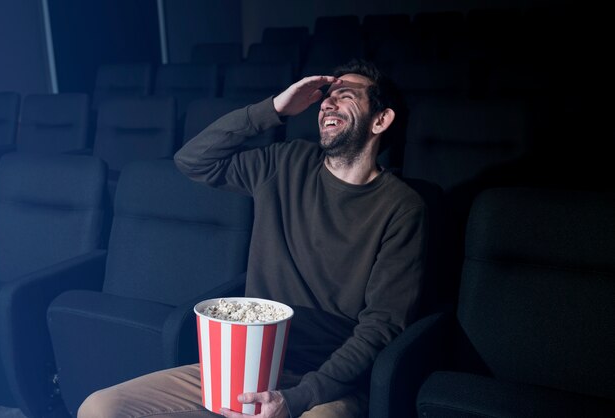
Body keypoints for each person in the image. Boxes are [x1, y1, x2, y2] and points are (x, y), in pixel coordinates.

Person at [78, 59, 428, 418]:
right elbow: (193, 160)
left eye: (346, 95)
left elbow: (382, 326)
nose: (327, 102)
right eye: (327, 96)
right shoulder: (287, 162)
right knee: (101, 408)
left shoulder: (402, 207)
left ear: (380, 120)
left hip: (329, 382)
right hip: (248, 365)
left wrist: (298, 398)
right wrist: (274, 108)